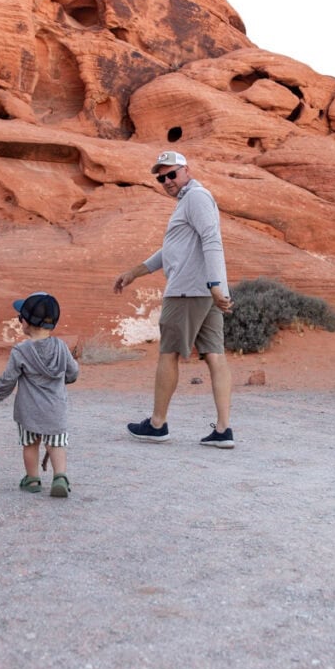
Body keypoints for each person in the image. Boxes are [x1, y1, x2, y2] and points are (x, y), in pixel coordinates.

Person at [114, 150, 235, 448]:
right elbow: (171, 249)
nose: (167, 181)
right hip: (203, 291)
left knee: (168, 353)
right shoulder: (189, 200)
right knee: (215, 355)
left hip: (186, 291)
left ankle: (157, 424)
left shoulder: (196, 198)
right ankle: (223, 430)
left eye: (172, 174)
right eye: (161, 178)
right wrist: (135, 272)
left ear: (186, 171)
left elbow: (212, 239)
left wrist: (216, 284)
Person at [0, 292, 79, 498]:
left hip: (28, 412)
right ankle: (60, 477)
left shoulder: (21, 351)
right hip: (55, 410)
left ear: (26, 322)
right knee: (56, 445)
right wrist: (63, 380)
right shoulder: (62, 347)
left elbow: (8, 379)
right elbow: (73, 372)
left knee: (30, 444)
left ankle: (32, 479)